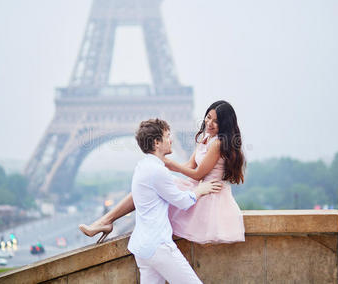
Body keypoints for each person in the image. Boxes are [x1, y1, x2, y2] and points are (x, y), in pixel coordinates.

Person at [79, 100, 246, 244]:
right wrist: (162, 164)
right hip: (199, 188)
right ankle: (106, 220)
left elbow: (198, 174)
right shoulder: (205, 138)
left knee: (152, 186)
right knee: (151, 185)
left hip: (209, 194)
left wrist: (168, 164)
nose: (209, 123)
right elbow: (189, 165)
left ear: (224, 124)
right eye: (208, 117)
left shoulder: (217, 143)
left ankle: (106, 220)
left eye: (215, 121)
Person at [124, 119, 222, 283]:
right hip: (159, 247)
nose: (172, 140)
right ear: (157, 142)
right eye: (168, 136)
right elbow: (183, 202)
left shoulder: (142, 166)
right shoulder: (157, 171)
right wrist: (200, 190)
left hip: (142, 248)